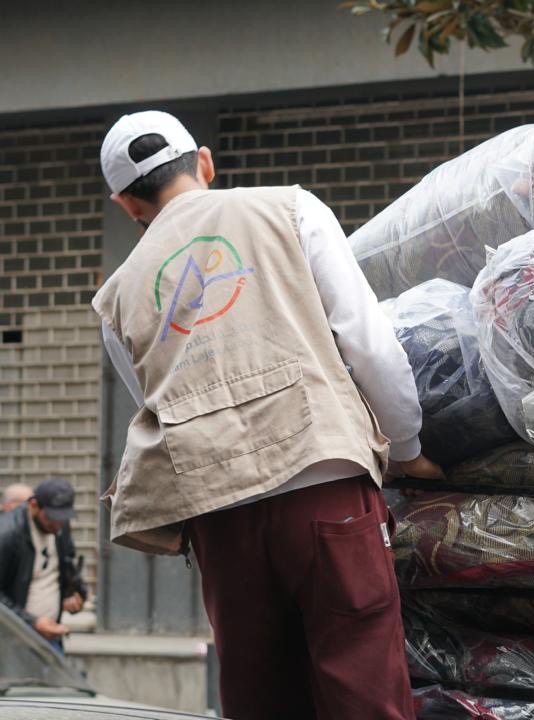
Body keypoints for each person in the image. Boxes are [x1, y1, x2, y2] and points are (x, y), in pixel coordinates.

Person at [94, 111, 443, 720]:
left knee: (261, 700)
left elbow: (156, 406)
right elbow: (369, 345)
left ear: (125, 204)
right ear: (204, 162)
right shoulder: (292, 210)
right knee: (365, 694)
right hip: (326, 486)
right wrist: (409, 449)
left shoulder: (118, 297)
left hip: (222, 518)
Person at [0, 477, 89, 654]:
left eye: (62, 518)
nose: (57, 524)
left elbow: (65, 565)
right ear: (33, 505)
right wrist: (32, 622)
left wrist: (73, 594)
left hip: (51, 637)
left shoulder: (60, 525)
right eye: (51, 517)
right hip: (13, 640)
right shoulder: (7, 534)